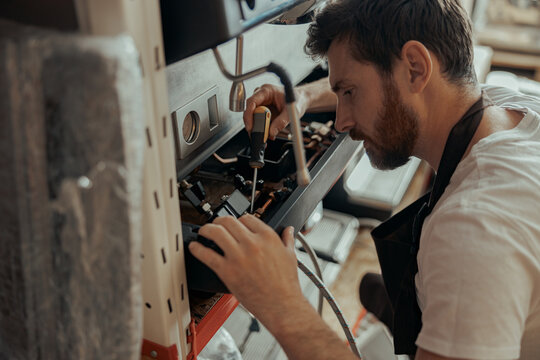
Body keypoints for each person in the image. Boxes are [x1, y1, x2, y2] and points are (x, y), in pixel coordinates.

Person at [188, 0, 540, 359]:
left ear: (416, 68)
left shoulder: (474, 229)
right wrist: (307, 95)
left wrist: (283, 307)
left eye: (350, 93)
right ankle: (435, 312)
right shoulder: (511, 107)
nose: (341, 121)